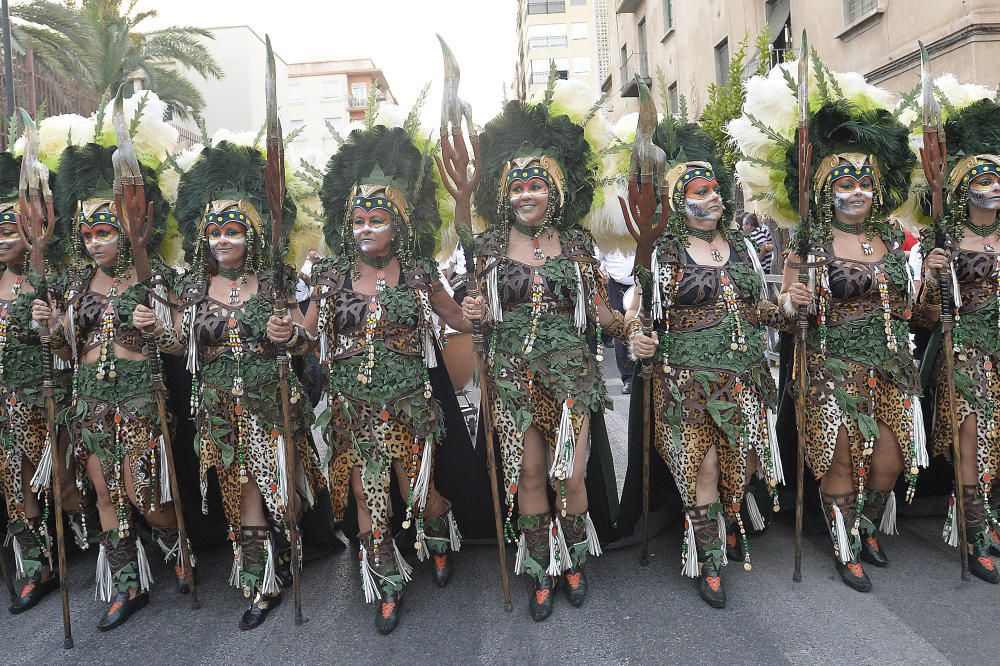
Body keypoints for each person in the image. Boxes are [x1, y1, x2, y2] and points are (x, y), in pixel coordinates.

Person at [732, 57, 926, 592]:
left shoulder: (890, 235)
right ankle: (845, 545)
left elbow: (914, 303)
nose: (857, 189)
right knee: (840, 461)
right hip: (829, 368)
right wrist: (795, 301)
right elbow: (787, 316)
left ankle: (866, 524)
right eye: (844, 180)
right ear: (823, 187)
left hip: (890, 366)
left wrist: (930, 277)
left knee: (888, 461)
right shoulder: (808, 240)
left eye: (864, 180)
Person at [460, 79, 627, 621]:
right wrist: (474, 313)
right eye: (516, 187)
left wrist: (631, 326)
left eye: (536, 184)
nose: (525, 194)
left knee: (569, 475)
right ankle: (538, 563)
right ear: (504, 194)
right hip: (510, 377)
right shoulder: (487, 247)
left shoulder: (577, 244)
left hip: (571, 377)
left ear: (554, 189)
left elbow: (600, 311)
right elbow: (474, 306)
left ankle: (573, 555)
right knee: (530, 475)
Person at [306, 120, 477, 634]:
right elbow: (302, 333)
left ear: (399, 222)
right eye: (357, 219)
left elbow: (460, 320)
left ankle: (438, 528)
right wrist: (281, 326)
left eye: (375, 219)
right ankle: (385, 581)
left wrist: (482, 309)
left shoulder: (421, 272)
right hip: (352, 411)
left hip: (409, 406)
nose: (363, 228)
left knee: (416, 490)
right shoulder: (330, 276)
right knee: (366, 495)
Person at [628, 111, 796, 608]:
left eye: (715, 189)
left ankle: (719, 517)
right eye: (700, 192)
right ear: (679, 203)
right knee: (701, 469)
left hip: (743, 380)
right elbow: (641, 314)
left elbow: (759, 309)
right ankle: (707, 556)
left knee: (739, 470)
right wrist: (639, 339)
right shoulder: (662, 253)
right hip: (686, 385)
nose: (714, 197)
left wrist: (787, 307)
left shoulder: (742, 246)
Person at [171, 139, 326, 630]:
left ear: (254, 233)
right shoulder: (191, 289)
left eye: (232, 230)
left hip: (273, 405)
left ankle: (293, 540)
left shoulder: (280, 281)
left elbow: (308, 343)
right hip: (218, 410)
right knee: (242, 496)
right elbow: (180, 346)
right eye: (214, 231)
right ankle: (262, 585)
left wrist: (291, 335)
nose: (221, 239)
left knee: (284, 498)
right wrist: (157, 330)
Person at [34, 140, 187, 630]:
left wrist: (154, 326)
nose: (95, 242)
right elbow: (64, 352)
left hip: (141, 397)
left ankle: (175, 540)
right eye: (87, 234)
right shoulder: (76, 286)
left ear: (128, 228)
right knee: (105, 493)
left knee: (145, 495)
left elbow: (180, 345)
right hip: (90, 402)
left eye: (104, 231)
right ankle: (127, 584)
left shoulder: (154, 276)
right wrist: (50, 328)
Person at [916, 86, 1000, 582]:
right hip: (965, 350)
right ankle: (974, 529)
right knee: (972, 441)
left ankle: (988, 513)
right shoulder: (943, 239)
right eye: (986, 178)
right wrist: (931, 275)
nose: (995, 186)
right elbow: (926, 316)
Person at [597, 247, 635, 393]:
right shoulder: (608, 231)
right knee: (619, 329)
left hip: (642, 284)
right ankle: (628, 378)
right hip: (617, 285)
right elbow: (596, 257)